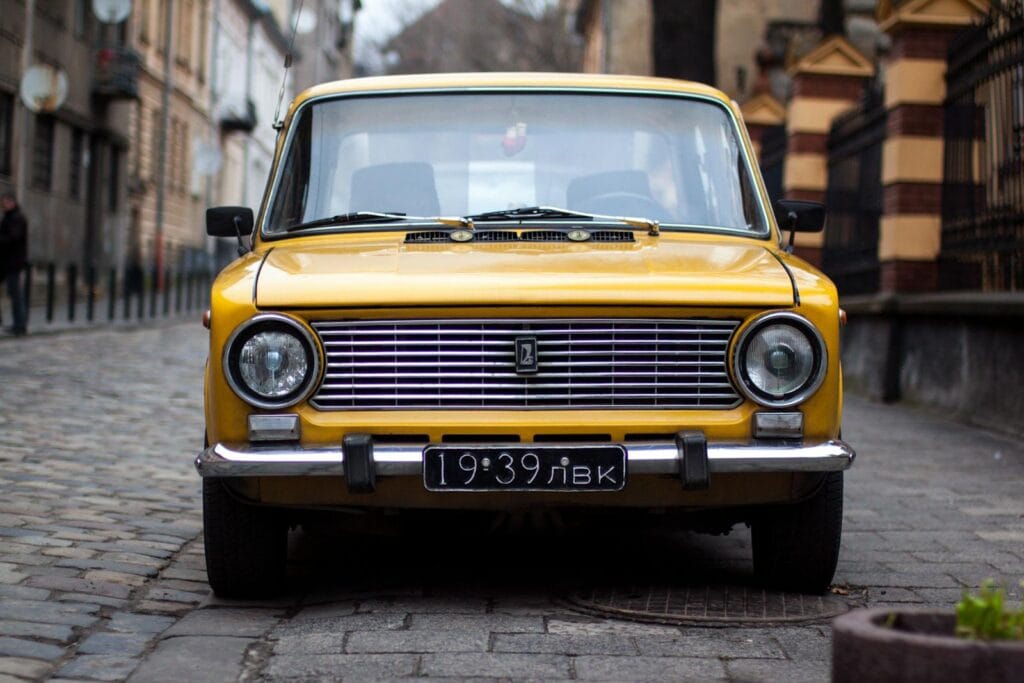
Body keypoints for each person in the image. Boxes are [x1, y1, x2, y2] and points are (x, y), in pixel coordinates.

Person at [0, 192, 28, 335]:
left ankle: (20, 325)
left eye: (5, 202)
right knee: (14, 293)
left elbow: (13, 238)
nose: (3, 205)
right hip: (5, 262)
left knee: (15, 293)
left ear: (12, 202)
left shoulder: (17, 218)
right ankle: (17, 324)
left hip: (13, 262)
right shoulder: (9, 217)